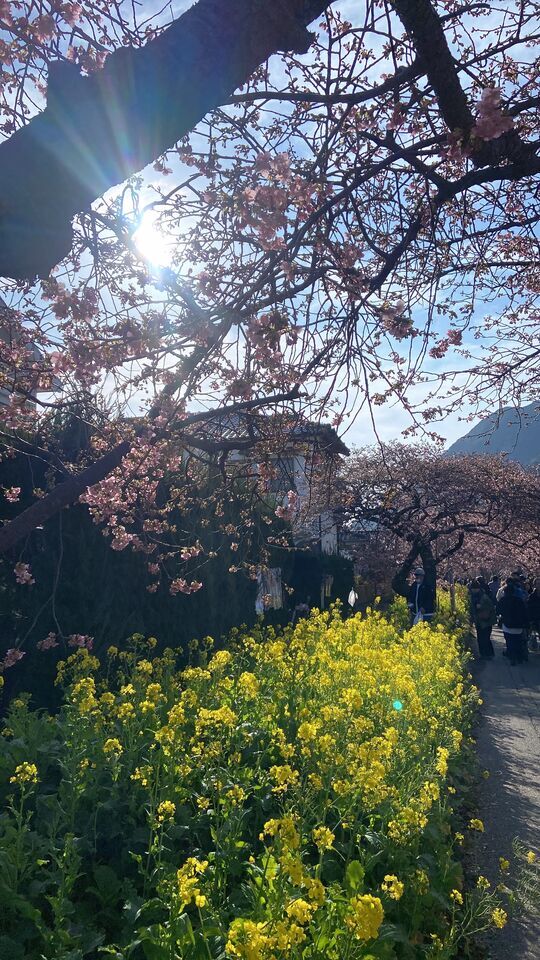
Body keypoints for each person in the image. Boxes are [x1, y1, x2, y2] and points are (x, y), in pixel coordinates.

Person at [497, 578, 529, 665]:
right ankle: (519, 657)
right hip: (519, 625)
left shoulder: (503, 600)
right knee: (518, 641)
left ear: (505, 592)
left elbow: (498, 611)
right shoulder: (519, 601)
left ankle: (512, 657)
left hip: (507, 625)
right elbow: (524, 612)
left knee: (509, 641)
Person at [469, 579, 496, 659]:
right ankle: (483, 654)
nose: (473, 590)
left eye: (474, 589)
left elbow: (491, 607)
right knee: (481, 638)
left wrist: (481, 607)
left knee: (485, 638)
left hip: (486, 620)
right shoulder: (474, 596)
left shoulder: (483, 596)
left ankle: (488, 654)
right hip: (479, 620)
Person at [527, 578, 540, 650]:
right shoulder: (532, 596)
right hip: (535, 618)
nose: (539, 585)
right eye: (537, 584)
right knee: (533, 634)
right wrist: (530, 620)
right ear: (534, 585)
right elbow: (529, 609)